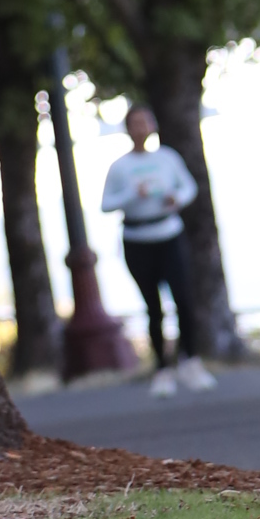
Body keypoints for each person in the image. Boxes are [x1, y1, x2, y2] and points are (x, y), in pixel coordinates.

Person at [98, 105, 217, 395]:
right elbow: (106, 204)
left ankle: (190, 361)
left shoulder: (167, 158)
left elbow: (188, 187)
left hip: (169, 234)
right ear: (127, 128)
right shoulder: (120, 167)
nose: (141, 127)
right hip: (137, 239)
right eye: (135, 122)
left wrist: (176, 198)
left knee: (183, 299)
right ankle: (163, 369)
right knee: (153, 307)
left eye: (145, 121)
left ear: (152, 125)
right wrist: (132, 194)